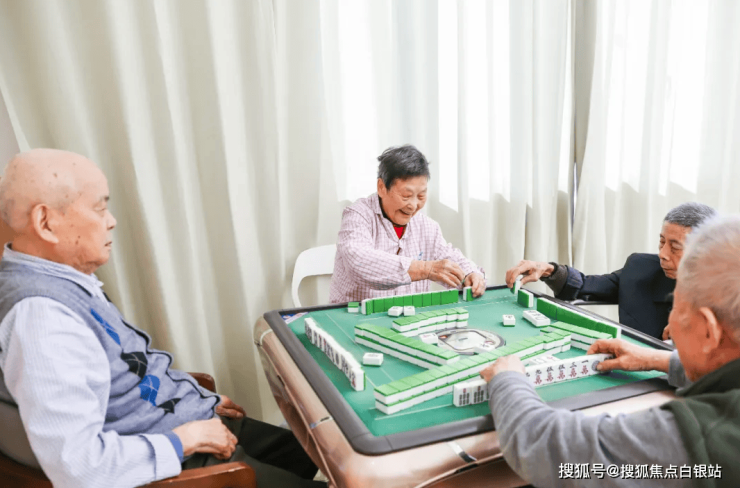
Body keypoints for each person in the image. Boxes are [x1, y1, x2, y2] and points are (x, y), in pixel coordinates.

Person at [0, 149, 323, 488]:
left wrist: (193, 397)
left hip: (181, 420)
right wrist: (186, 439)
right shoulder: (42, 318)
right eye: (99, 208)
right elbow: (79, 466)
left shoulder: (61, 278)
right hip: (174, 459)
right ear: (46, 223)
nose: (111, 221)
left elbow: (123, 369)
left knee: (320, 449)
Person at [481, 214, 740, 487]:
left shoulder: (709, 433)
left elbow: (547, 451)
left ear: (709, 331)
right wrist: (658, 359)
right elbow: (590, 284)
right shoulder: (642, 267)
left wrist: (508, 379)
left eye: (675, 306)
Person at [504, 202, 716, 340]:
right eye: (661, 242)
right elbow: (587, 286)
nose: (663, 254)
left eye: (675, 247)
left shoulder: (726, 295)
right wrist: (549, 270)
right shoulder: (641, 268)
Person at [329, 144, 485, 303]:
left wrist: (470, 274)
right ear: (381, 187)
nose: (413, 205)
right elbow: (358, 261)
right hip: (355, 314)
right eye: (406, 196)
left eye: (421, 196)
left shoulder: (427, 226)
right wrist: (425, 269)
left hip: (409, 315)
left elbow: (447, 257)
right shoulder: (358, 215)